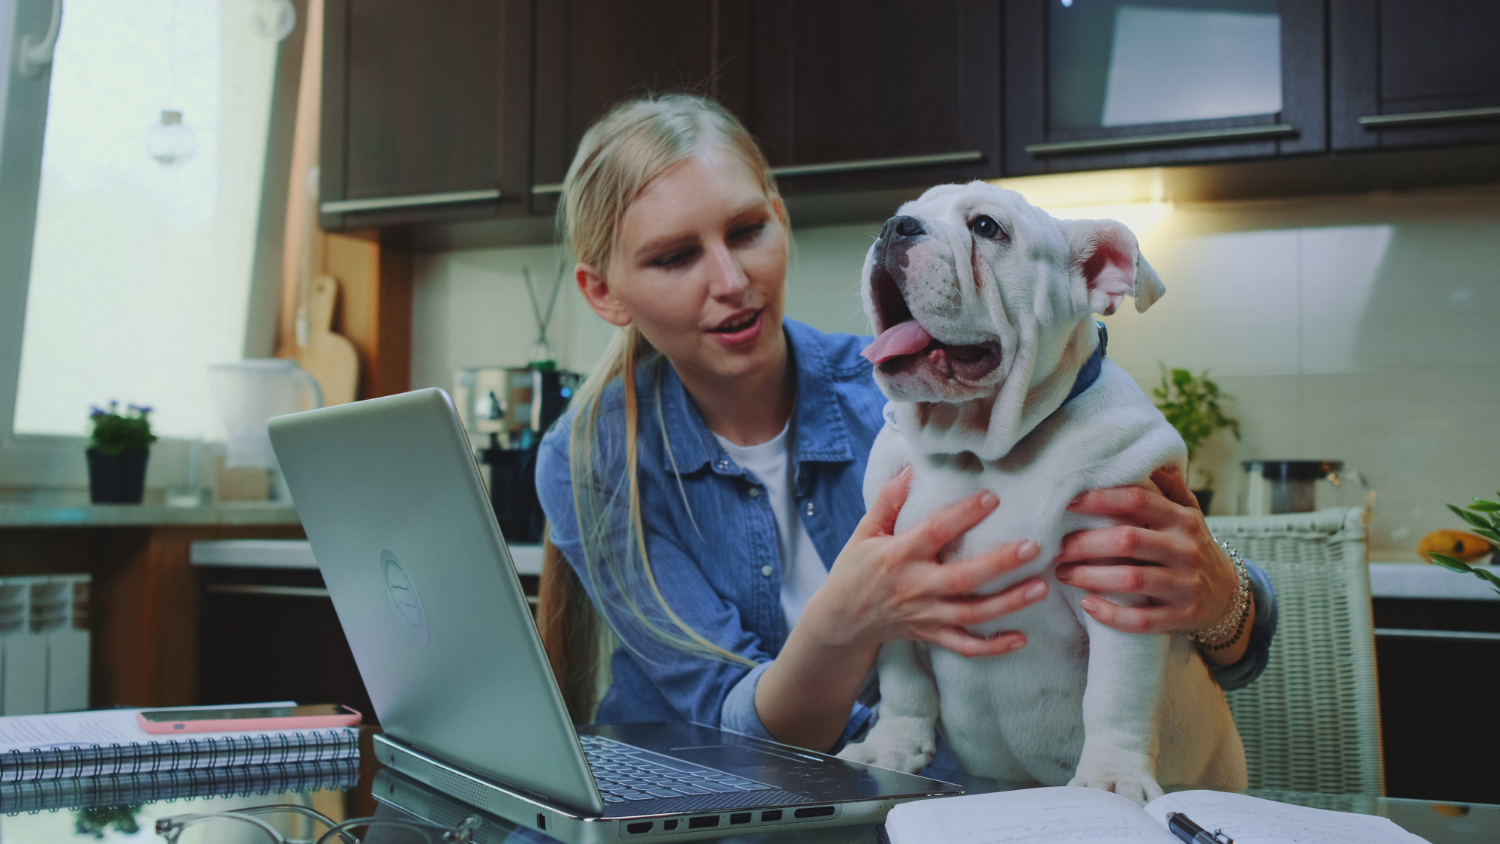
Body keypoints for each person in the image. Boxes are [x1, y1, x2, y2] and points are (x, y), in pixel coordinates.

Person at [534, 94, 1276, 758]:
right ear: (605, 293)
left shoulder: (933, 387)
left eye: (748, 229)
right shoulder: (592, 457)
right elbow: (733, 730)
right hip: (693, 806)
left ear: (780, 215)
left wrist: (1221, 597)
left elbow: (1221, 642)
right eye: (673, 257)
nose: (731, 281)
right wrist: (848, 622)